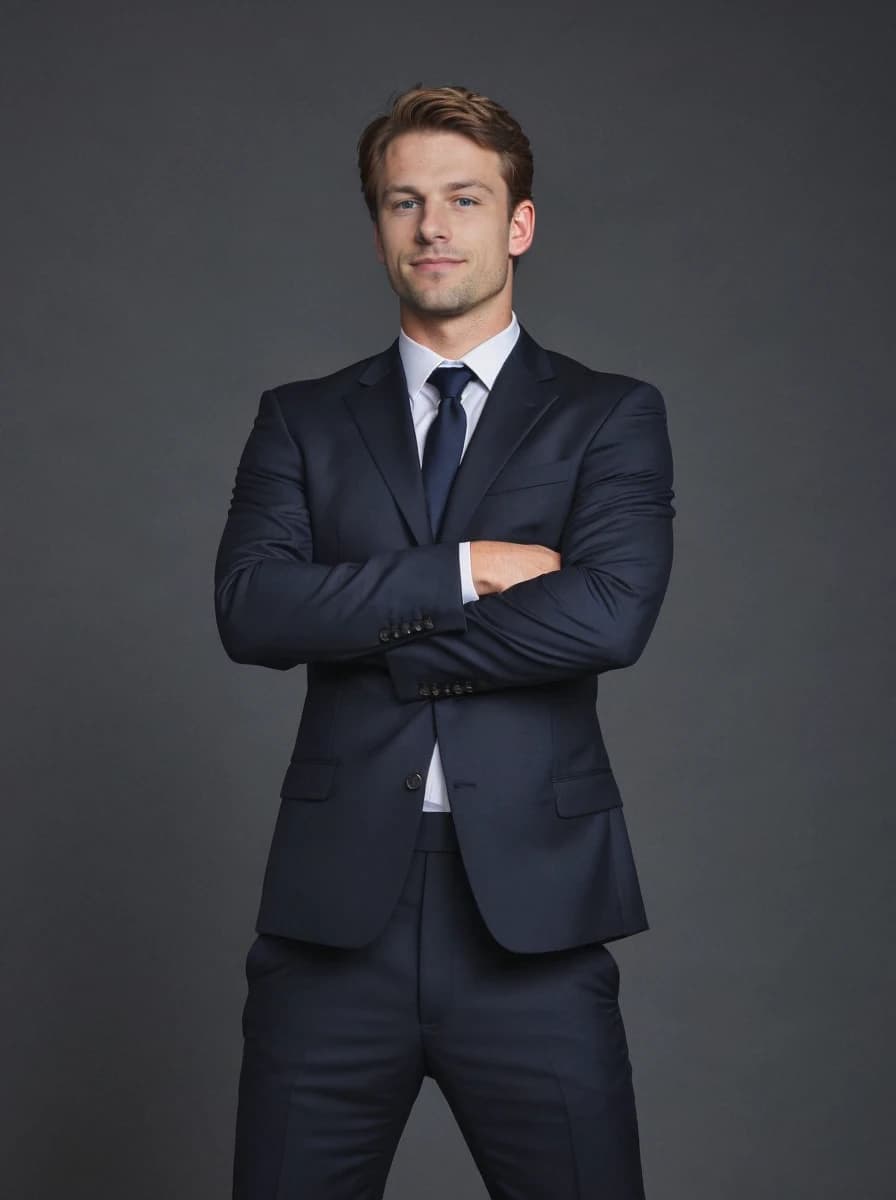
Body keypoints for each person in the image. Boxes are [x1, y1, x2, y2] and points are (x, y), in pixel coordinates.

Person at [215, 82, 675, 1200]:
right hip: (330, 935)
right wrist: (461, 573)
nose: (432, 227)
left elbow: (608, 614)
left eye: (463, 199)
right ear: (377, 224)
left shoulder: (607, 415)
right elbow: (253, 611)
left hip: (531, 923)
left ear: (516, 224)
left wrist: (380, 636)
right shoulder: (302, 418)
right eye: (403, 201)